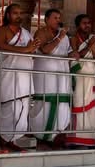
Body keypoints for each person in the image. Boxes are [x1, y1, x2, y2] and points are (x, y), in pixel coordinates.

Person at [0, 3, 40, 150]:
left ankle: (13, 139)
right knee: (10, 106)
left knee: (22, 107)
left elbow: (31, 51)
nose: (18, 16)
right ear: (8, 15)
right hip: (9, 75)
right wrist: (25, 49)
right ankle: (3, 139)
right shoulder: (2, 30)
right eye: (15, 13)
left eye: (20, 13)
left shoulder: (26, 33)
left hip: (25, 76)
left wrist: (32, 49)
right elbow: (0, 46)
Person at [30, 8, 72, 148]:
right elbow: (45, 50)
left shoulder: (64, 36)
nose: (58, 20)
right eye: (55, 18)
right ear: (46, 19)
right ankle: (41, 136)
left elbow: (68, 52)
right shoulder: (41, 32)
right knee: (45, 103)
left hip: (62, 74)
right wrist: (60, 37)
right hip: (45, 75)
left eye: (59, 17)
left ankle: (56, 136)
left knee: (62, 103)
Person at [66, 14, 95, 148]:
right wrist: (89, 46)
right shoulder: (73, 39)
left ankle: (90, 140)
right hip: (78, 78)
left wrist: (93, 47)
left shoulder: (94, 41)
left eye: (89, 23)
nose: (87, 25)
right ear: (78, 26)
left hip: (92, 78)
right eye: (84, 23)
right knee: (78, 107)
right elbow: (75, 57)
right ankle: (75, 140)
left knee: (91, 111)